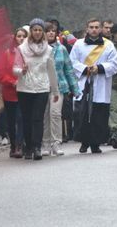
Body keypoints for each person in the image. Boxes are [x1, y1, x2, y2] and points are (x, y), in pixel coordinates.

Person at [70, 18, 117, 154]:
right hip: (84, 83)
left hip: (101, 84)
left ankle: (96, 143)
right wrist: (85, 69)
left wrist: (100, 68)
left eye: (96, 27)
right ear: (87, 28)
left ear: (100, 29)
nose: (94, 29)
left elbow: (115, 64)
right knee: (83, 114)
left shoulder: (108, 44)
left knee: (99, 115)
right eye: (91, 27)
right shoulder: (78, 44)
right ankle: (84, 142)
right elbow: (72, 62)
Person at [14, 18, 59, 160]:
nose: (38, 32)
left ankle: (37, 147)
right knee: (26, 119)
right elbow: (14, 68)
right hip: (25, 88)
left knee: (38, 118)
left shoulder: (49, 50)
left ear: (43, 32)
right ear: (31, 32)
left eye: (40, 30)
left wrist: (55, 90)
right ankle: (28, 147)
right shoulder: (21, 49)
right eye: (35, 30)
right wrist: (22, 70)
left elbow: (52, 70)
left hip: (42, 88)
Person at [42, 22, 80, 156]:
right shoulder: (39, 49)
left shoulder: (62, 49)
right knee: (45, 114)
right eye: (48, 31)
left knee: (55, 113)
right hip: (42, 86)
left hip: (59, 86)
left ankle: (56, 142)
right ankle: (45, 143)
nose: (51, 33)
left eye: (53, 31)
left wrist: (75, 88)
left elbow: (68, 69)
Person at [0, 27, 27, 158]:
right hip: (10, 93)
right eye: (19, 36)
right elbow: (1, 73)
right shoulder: (7, 54)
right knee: (11, 120)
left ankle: (20, 145)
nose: (21, 38)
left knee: (21, 119)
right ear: (15, 38)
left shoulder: (29, 53)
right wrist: (12, 82)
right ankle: (13, 144)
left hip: (25, 91)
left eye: (23, 36)